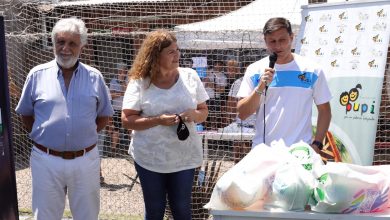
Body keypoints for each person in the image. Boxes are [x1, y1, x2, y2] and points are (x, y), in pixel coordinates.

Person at [15, 17, 113, 220]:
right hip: (45, 160)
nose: (65, 48)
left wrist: (84, 135)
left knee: (87, 216)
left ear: (82, 47)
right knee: (45, 216)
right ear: (53, 43)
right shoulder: (36, 75)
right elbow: (26, 114)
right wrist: (45, 135)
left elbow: (104, 115)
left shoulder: (95, 77)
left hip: (85, 160)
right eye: (60, 42)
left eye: (72, 43)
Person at [121, 29, 209, 220]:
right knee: (154, 210)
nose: (177, 55)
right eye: (171, 52)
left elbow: (204, 113)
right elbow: (127, 120)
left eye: (177, 50)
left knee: (182, 209)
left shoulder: (190, 76)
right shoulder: (139, 82)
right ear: (155, 56)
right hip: (149, 158)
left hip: (184, 157)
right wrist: (157, 120)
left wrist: (194, 114)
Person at [237, 17, 332, 153]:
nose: (278, 46)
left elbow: (325, 110)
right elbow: (242, 113)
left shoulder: (312, 70)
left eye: (282, 40)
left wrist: (317, 144)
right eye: (272, 41)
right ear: (265, 41)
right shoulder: (255, 70)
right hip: (264, 153)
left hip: (300, 152)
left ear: (291, 37)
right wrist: (260, 87)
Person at [109, 62, 130, 157]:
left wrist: (122, 82)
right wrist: (121, 94)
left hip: (127, 109)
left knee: (129, 129)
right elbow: (111, 96)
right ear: (119, 71)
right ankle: (113, 149)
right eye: (122, 70)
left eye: (125, 70)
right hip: (117, 109)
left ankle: (129, 149)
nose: (124, 72)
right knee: (116, 129)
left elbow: (128, 92)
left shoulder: (128, 80)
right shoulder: (113, 81)